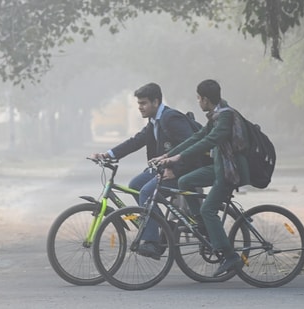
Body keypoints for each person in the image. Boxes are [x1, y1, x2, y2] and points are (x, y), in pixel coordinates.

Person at [90, 82, 199, 259]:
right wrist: (107, 155)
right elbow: (135, 142)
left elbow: (192, 144)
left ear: (155, 102)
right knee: (135, 185)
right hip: (164, 167)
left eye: (143, 103)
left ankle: (152, 243)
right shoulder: (154, 120)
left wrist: (175, 169)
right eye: (138, 103)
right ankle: (162, 227)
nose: (139, 107)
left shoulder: (171, 118)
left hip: (182, 170)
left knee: (147, 193)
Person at [156, 79, 250, 276]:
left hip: (230, 171)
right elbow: (197, 137)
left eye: (198, 98)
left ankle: (230, 256)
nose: (198, 102)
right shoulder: (217, 115)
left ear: (205, 99)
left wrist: (179, 157)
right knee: (185, 181)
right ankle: (200, 221)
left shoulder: (225, 117)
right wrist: (168, 155)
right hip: (219, 167)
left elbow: (209, 140)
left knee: (209, 209)